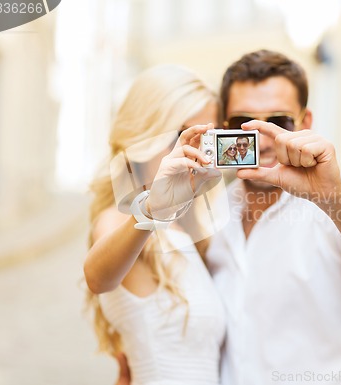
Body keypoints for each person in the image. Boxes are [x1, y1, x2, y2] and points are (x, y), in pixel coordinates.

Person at [114, 50, 341, 385]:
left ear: (305, 124)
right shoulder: (211, 212)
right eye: (242, 123)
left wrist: (333, 196)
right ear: (222, 129)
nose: (261, 139)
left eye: (278, 123)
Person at [83, 64, 226, 385]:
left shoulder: (185, 229)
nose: (194, 152)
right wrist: (150, 210)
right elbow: (97, 277)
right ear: (142, 135)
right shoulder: (122, 221)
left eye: (207, 138)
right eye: (181, 135)